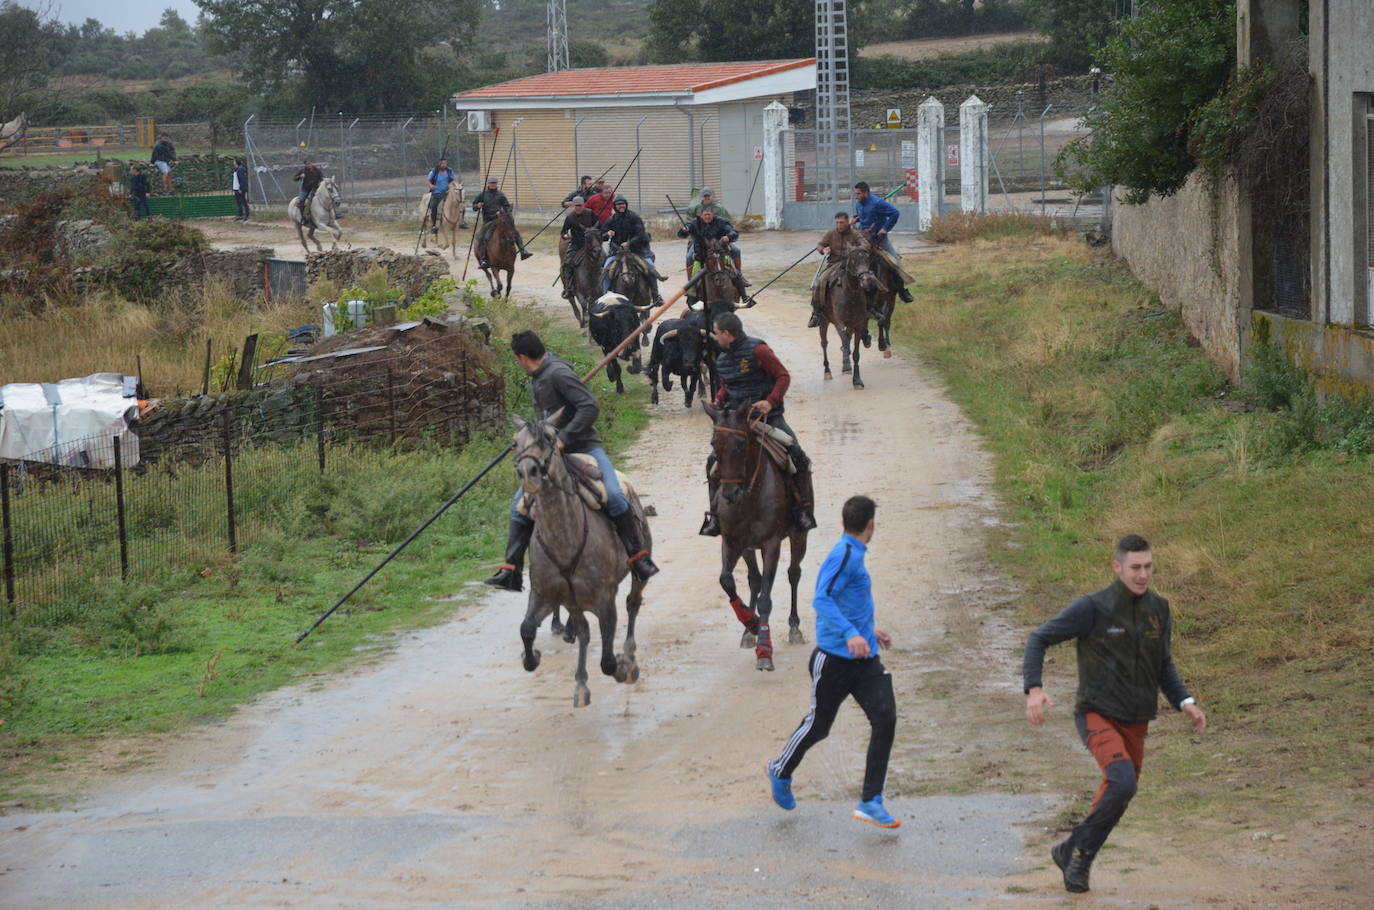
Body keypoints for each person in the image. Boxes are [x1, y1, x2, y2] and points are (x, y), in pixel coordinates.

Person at [1023, 534, 1208, 894]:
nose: (1143, 575)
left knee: (1120, 792)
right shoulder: (1092, 607)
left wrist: (1185, 701)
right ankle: (1077, 849)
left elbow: (1164, 664)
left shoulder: (1159, 608)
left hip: (1137, 719)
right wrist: (1034, 689)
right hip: (1097, 713)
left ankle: (1074, 854)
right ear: (1117, 567)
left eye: (1148, 567)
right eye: (1135, 567)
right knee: (1122, 781)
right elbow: (1038, 638)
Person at [485, 331, 659, 592]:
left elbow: (590, 406)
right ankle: (512, 569)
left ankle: (637, 558)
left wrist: (564, 438)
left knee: (613, 495)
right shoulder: (538, 376)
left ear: (521, 357)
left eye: (517, 359)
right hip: (551, 455)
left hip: (586, 447)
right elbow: (546, 418)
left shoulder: (558, 374)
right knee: (518, 506)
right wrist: (527, 437)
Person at [765, 494, 900, 828]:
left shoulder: (853, 554)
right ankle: (780, 769)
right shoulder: (844, 554)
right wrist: (850, 633)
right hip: (834, 660)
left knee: (885, 718)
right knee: (819, 725)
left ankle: (870, 800)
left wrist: (869, 630)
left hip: (864, 658)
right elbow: (821, 599)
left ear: (845, 521)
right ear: (871, 525)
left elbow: (849, 601)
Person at [700, 312, 815, 535]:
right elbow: (728, 386)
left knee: (797, 456)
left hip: (769, 419)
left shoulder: (759, 350)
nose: (715, 337)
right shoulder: (722, 359)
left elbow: (783, 376)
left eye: (716, 333)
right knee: (712, 464)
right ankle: (714, 517)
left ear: (726, 333)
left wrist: (770, 402)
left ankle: (802, 510)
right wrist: (719, 401)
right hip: (737, 423)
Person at [807, 211, 872, 328]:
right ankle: (816, 313)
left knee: (869, 279)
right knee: (820, 282)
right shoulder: (830, 234)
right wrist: (823, 250)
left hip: (851, 264)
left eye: (842, 222)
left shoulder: (855, 234)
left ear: (847, 222)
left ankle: (871, 307)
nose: (839, 225)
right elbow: (820, 245)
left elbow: (866, 244)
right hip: (834, 264)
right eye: (837, 223)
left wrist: (855, 250)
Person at [852, 181, 914, 303]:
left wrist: (885, 229)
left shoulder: (878, 203)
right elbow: (861, 215)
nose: (856, 196)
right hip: (862, 239)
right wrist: (855, 219)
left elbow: (895, 213)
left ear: (866, 193)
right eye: (855, 194)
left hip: (879, 240)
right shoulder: (858, 203)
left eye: (858, 194)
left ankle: (902, 292)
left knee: (895, 263)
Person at [601, 194, 664, 304]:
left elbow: (641, 234)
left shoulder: (634, 217)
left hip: (636, 251)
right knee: (606, 271)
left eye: (623, 204)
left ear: (626, 205)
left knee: (650, 268)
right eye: (618, 204)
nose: (621, 206)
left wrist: (629, 243)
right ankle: (606, 297)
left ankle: (655, 295)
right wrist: (607, 234)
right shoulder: (611, 219)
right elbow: (602, 235)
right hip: (617, 253)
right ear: (615, 206)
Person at [678, 208, 748, 299]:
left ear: (713, 214)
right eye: (705, 215)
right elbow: (681, 234)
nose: (707, 217)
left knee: (734, 269)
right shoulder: (694, 223)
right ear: (701, 215)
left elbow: (734, 232)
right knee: (690, 259)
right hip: (701, 254)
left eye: (709, 215)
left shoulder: (721, 222)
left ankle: (744, 294)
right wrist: (684, 230)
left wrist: (728, 236)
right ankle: (691, 294)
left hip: (721, 253)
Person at [471, 176, 533, 267]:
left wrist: (502, 212)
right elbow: (473, 206)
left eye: (494, 183)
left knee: (515, 232)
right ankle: (484, 259)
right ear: (488, 184)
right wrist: (478, 205)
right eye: (491, 183)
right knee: (483, 237)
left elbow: (507, 207)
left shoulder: (501, 195)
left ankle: (523, 251)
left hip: (500, 220)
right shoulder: (482, 195)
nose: (493, 185)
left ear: (497, 184)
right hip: (488, 221)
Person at [683, 187, 739, 272]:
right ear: (701, 197)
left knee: (736, 251)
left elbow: (726, 223)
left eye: (708, 196)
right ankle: (691, 281)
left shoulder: (719, 208)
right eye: (705, 196)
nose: (706, 198)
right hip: (700, 238)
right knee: (689, 257)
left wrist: (727, 236)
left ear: (711, 196)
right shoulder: (694, 208)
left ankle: (739, 273)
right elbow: (689, 224)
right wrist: (687, 229)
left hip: (718, 239)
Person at [559, 195, 600, 299]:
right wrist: (565, 236)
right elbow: (563, 231)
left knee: (604, 258)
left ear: (583, 205)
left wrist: (596, 233)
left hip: (591, 244)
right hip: (576, 245)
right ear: (573, 206)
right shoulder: (570, 217)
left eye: (580, 205)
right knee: (567, 263)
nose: (578, 208)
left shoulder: (590, 213)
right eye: (576, 206)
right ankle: (568, 287)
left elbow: (600, 225)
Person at [425, 157, 459, 235]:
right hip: (437, 193)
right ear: (439, 164)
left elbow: (453, 180)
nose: (444, 165)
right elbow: (428, 180)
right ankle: (434, 225)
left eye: (445, 163)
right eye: (443, 163)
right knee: (434, 207)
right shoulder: (434, 171)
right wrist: (431, 186)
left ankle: (459, 221)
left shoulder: (449, 171)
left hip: (447, 192)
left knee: (457, 203)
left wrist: (452, 185)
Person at [293, 158, 324, 225]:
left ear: (312, 163)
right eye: (307, 164)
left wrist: (320, 181)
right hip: (305, 189)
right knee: (301, 201)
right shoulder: (303, 171)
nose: (309, 165)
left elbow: (322, 177)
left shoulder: (317, 170)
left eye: (310, 163)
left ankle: (332, 213)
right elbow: (294, 178)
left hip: (315, 188)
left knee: (327, 196)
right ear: (305, 165)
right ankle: (303, 218)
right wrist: (300, 176)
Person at [231, 158, 250, 222]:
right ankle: (240, 215)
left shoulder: (241, 169)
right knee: (239, 203)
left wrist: (241, 188)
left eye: (234, 161)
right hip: (236, 188)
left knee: (243, 202)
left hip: (240, 189)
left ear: (236, 162)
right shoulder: (237, 169)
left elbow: (242, 180)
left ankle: (246, 216)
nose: (233, 162)